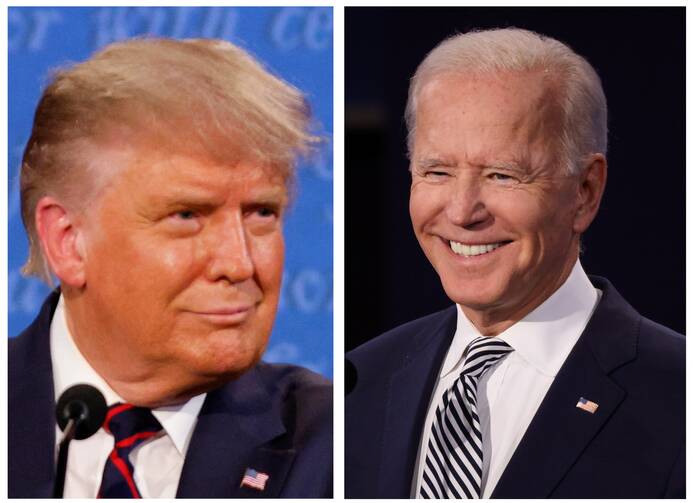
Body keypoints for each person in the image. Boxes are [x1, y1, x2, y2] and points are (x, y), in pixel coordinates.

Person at [346, 28, 684, 499]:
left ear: (585, 192)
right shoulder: (356, 386)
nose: (462, 212)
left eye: (502, 175)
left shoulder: (676, 398)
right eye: (437, 172)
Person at [9, 37, 332, 498]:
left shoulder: (340, 444)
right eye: (187, 216)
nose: (239, 264)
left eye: (261, 213)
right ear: (69, 242)